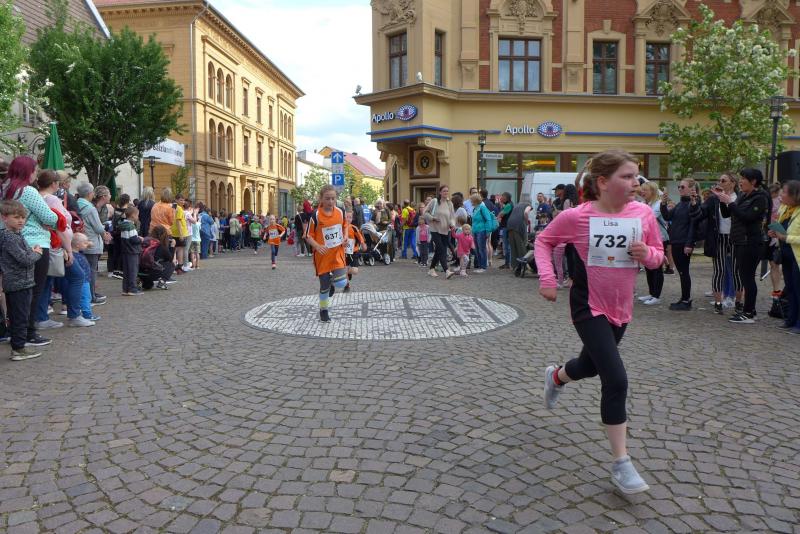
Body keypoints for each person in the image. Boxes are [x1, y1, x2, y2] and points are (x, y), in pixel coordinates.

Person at [535, 150, 664, 495]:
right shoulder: (577, 216)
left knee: (589, 367)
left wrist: (647, 254)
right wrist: (548, 279)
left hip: (621, 307)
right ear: (604, 182)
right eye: (627, 176)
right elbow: (544, 241)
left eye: (637, 176)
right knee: (616, 379)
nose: (636, 182)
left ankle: (556, 376)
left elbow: (657, 257)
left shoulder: (643, 214)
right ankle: (622, 464)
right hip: (588, 305)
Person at [2, 157, 59, 348]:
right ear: (27, 172)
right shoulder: (27, 191)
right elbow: (50, 218)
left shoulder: (5, 189)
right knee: (33, 291)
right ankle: (29, 333)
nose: (36, 174)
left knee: (15, 292)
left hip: (9, 242)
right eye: (35, 170)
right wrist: (45, 221)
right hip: (35, 243)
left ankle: (15, 331)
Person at [714, 168, 771, 323]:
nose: (740, 181)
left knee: (748, 278)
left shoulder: (760, 198)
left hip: (750, 243)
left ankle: (748, 313)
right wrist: (722, 201)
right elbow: (728, 214)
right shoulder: (743, 196)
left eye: (744, 178)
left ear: (753, 181)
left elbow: (747, 217)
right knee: (744, 277)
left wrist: (731, 203)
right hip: (739, 242)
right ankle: (749, 310)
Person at [0, 200, 44, 360]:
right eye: (16, 217)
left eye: (23, 217)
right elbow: (24, 259)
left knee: (18, 316)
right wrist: (37, 253)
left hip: (17, 283)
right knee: (20, 317)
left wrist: (30, 252)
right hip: (19, 283)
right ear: (4, 218)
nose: (20, 221)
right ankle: (18, 349)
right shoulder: (10, 237)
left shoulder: (14, 235)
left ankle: (18, 345)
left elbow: (22, 254)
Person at [693, 173, 742, 314]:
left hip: (735, 238)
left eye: (723, 180)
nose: (720, 182)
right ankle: (718, 303)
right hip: (719, 237)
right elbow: (700, 213)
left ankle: (738, 302)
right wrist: (695, 203)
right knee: (719, 270)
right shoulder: (714, 199)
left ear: (732, 183)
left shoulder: (740, 198)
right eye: (719, 180)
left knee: (736, 271)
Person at [304, 185, 349, 322]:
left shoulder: (340, 212)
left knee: (341, 283)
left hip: (337, 253)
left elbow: (345, 226)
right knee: (324, 287)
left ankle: (333, 284)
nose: (330, 202)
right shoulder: (315, 215)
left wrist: (345, 237)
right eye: (327, 198)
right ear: (321, 199)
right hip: (322, 256)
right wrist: (317, 246)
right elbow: (307, 236)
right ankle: (324, 310)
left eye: (333, 198)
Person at [661, 179, 700, 311]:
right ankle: (684, 298)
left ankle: (686, 300)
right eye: (679, 186)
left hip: (684, 242)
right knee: (682, 272)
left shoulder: (693, 204)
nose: (679, 189)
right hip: (677, 241)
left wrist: (689, 243)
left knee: (684, 272)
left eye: (682, 187)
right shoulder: (680, 204)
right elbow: (667, 216)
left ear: (691, 188)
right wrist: (663, 203)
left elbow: (693, 226)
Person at [769, 180, 800, 333]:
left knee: (798, 289)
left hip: (797, 257)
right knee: (791, 289)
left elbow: (791, 236)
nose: (781, 195)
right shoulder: (785, 208)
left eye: (785, 192)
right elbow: (783, 228)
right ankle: (790, 319)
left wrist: (786, 238)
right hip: (786, 254)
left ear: (795, 195)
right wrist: (775, 232)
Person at [76, 182, 110, 304]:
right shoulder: (90, 209)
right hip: (91, 243)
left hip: (80, 241)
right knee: (91, 271)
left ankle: (89, 294)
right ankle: (91, 296)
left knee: (84, 270)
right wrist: (105, 233)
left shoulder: (77, 204)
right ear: (90, 193)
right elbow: (98, 228)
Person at [637, 182, 669, 305]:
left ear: (653, 191)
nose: (642, 192)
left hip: (660, 239)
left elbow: (647, 219)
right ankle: (651, 293)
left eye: (645, 190)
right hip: (648, 240)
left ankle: (656, 296)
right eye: (642, 190)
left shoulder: (658, 204)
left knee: (657, 267)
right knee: (648, 266)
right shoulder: (646, 204)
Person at [423, 185, 456, 279]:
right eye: (444, 191)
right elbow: (425, 212)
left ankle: (431, 269)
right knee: (442, 249)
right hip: (434, 229)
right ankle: (447, 271)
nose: (446, 192)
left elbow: (452, 217)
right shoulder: (434, 201)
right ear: (440, 192)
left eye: (447, 191)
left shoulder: (450, 203)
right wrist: (432, 218)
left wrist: (452, 224)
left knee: (438, 250)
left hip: (446, 230)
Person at [70, 233, 100, 321]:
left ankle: (81, 313)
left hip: (84, 280)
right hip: (83, 281)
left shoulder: (77, 252)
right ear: (78, 245)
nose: (87, 245)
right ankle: (87, 314)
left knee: (83, 297)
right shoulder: (75, 255)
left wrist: (85, 242)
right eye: (85, 243)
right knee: (86, 297)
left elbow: (90, 245)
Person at [140, 226, 174, 290]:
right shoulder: (161, 246)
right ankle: (162, 282)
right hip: (153, 272)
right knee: (171, 265)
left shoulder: (145, 243)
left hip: (140, 271)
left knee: (148, 286)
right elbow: (170, 259)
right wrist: (172, 247)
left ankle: (140, 281)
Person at [119, 206, 143, 296]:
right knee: (133, 271)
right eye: (137, 215)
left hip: (125, 251)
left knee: (126, 271)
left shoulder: (123, 225)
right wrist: (140, 239)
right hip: (132, 251)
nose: (138, 217)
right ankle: (132, 289)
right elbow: (133, 240)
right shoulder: (131, 226)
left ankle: (125, 289)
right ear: (133, 215)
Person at [507, 197, 532, 276]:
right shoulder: (528, 205)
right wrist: (526, 222)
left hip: (510, 224)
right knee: (521, 247)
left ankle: (514, 266)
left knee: (513, 247)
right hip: (518, 225)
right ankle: (524, 268)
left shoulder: (517, 205)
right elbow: (526, 213)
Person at [470, 193, 494, 273]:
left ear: (475, 200)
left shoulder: (482, 208)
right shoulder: (475, 208)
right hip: (476, 231)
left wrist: (488, 231)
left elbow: (488, 219)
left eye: (471, 200)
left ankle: (483, 267)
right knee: (477, 249)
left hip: (482, 231)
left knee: (482, 249)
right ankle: (480, 266)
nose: (470, 201)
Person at [344, 209, 365, 291]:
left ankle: (348, 272)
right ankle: (347, 286)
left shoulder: (354, 228)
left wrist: (363, 244)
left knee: (355, 271)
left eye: (350, 217)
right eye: (346, 217)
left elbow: (360, 237)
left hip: (353, 252)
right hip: (343, 252)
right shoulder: (340, 228)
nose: (348, 219)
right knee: (344, 268)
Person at [497, 192, 513, 269]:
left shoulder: (508, 205)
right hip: (507, 227)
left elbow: (501, 214)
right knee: (506, 246)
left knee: (507, 246)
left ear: (506, 198)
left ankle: (507, 263)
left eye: (502, 197)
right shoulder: (508, 204)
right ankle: (508, 263)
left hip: (507, 227)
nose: (501, 198)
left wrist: (497, 217)